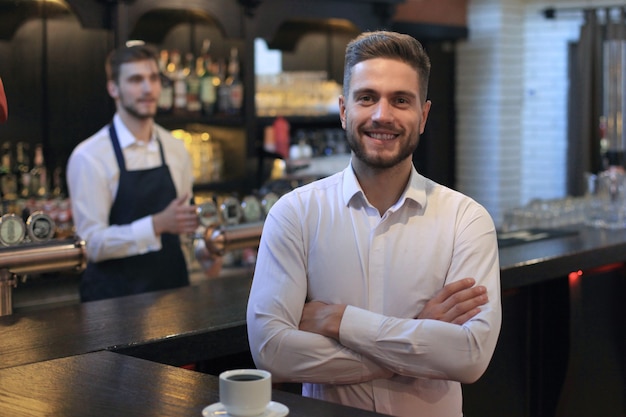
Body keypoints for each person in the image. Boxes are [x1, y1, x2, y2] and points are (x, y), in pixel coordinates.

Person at [246, 31, 501, 417]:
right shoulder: (295, 213)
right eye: (367, 98)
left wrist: (337, 319)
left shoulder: (466, 220)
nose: (382, 115)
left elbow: (469, 357)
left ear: (424, 116)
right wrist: (417, 337)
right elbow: (272, 352)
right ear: (344, 110)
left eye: (401, 100)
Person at [66, 42, 199, 302]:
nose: (148, 89)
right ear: (113, 88)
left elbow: (185, 227)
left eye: (153, 78)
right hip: (113, 305)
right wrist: (157, 224)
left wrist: (205, 252)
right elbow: (91, 244)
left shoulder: (175, 148)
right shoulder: (89, 156)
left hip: (174, 296)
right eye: (136, 80)